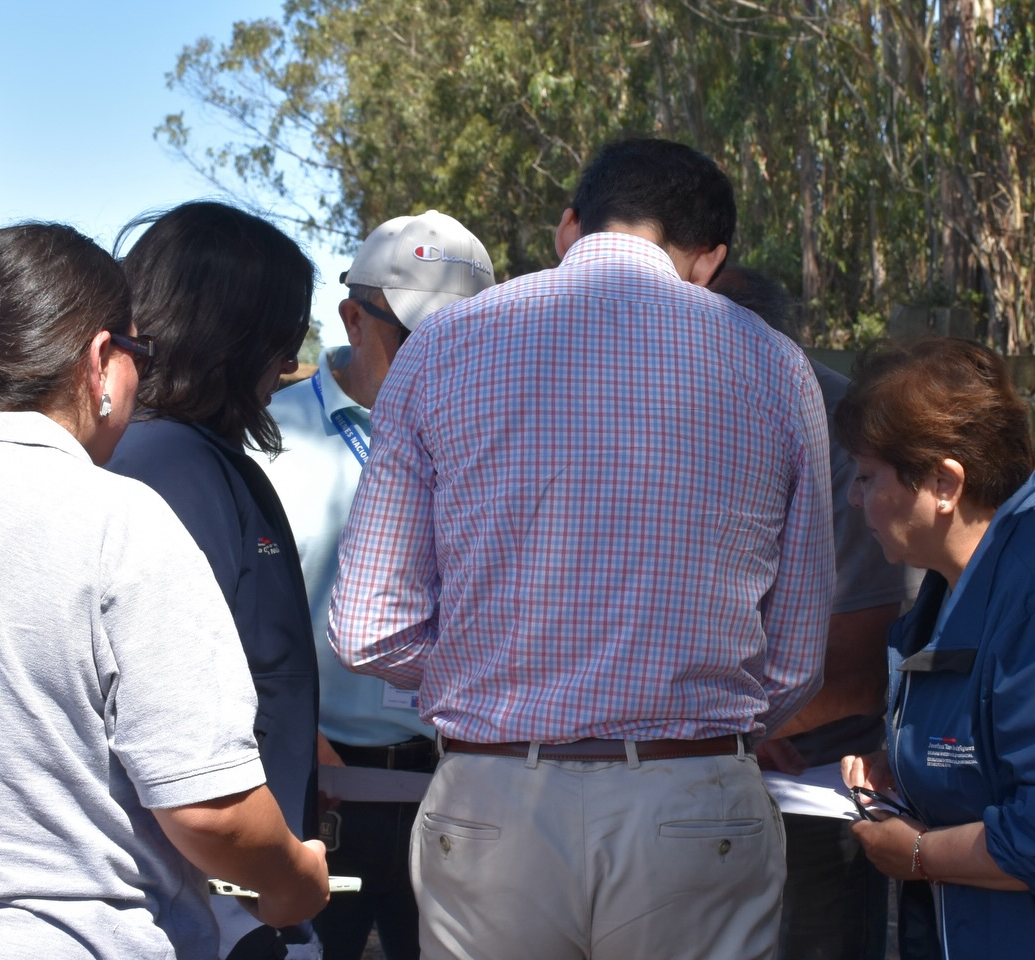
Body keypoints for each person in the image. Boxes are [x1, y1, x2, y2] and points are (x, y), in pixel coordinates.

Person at [331, 137, 834, 960]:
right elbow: (795, 658)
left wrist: (498, 676)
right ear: (708, 259)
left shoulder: (442, 348)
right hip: (693, 790)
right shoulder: (776, 367)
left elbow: (367, 627)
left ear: (569, 228)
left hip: (494, 800)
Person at [0, 222, 328, 959]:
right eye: (136, 353)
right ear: (101, 361)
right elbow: (209, 811)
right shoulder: (118, 517)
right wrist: (292, 882)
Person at [835, 337, 1035, 960]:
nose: (854, 498)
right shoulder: (964, 574)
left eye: (868, 476)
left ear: (943, 481)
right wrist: (897, 765)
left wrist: (920, 855)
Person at [253, 210, 495, 960]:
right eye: (421, 336)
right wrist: (299, 748)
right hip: (317, 793)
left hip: (464, 791)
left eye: (472, 332)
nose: (450, 356)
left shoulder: (505, 435)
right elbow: (231, 624)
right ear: (353, 318)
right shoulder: (268, 440)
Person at [106, 200, 322, 960]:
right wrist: (268, 887)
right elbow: (177, 740)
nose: (289, 362)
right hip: (201, 905)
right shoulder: (163, 469)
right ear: (235, 333)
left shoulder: (195, 457)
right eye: (282, 334)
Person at [709, 264, 916, 960]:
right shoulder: (651, 424)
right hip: (683, 771)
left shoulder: (835, 427)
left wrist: (727, 722)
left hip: (810, 782)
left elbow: (854, 668)